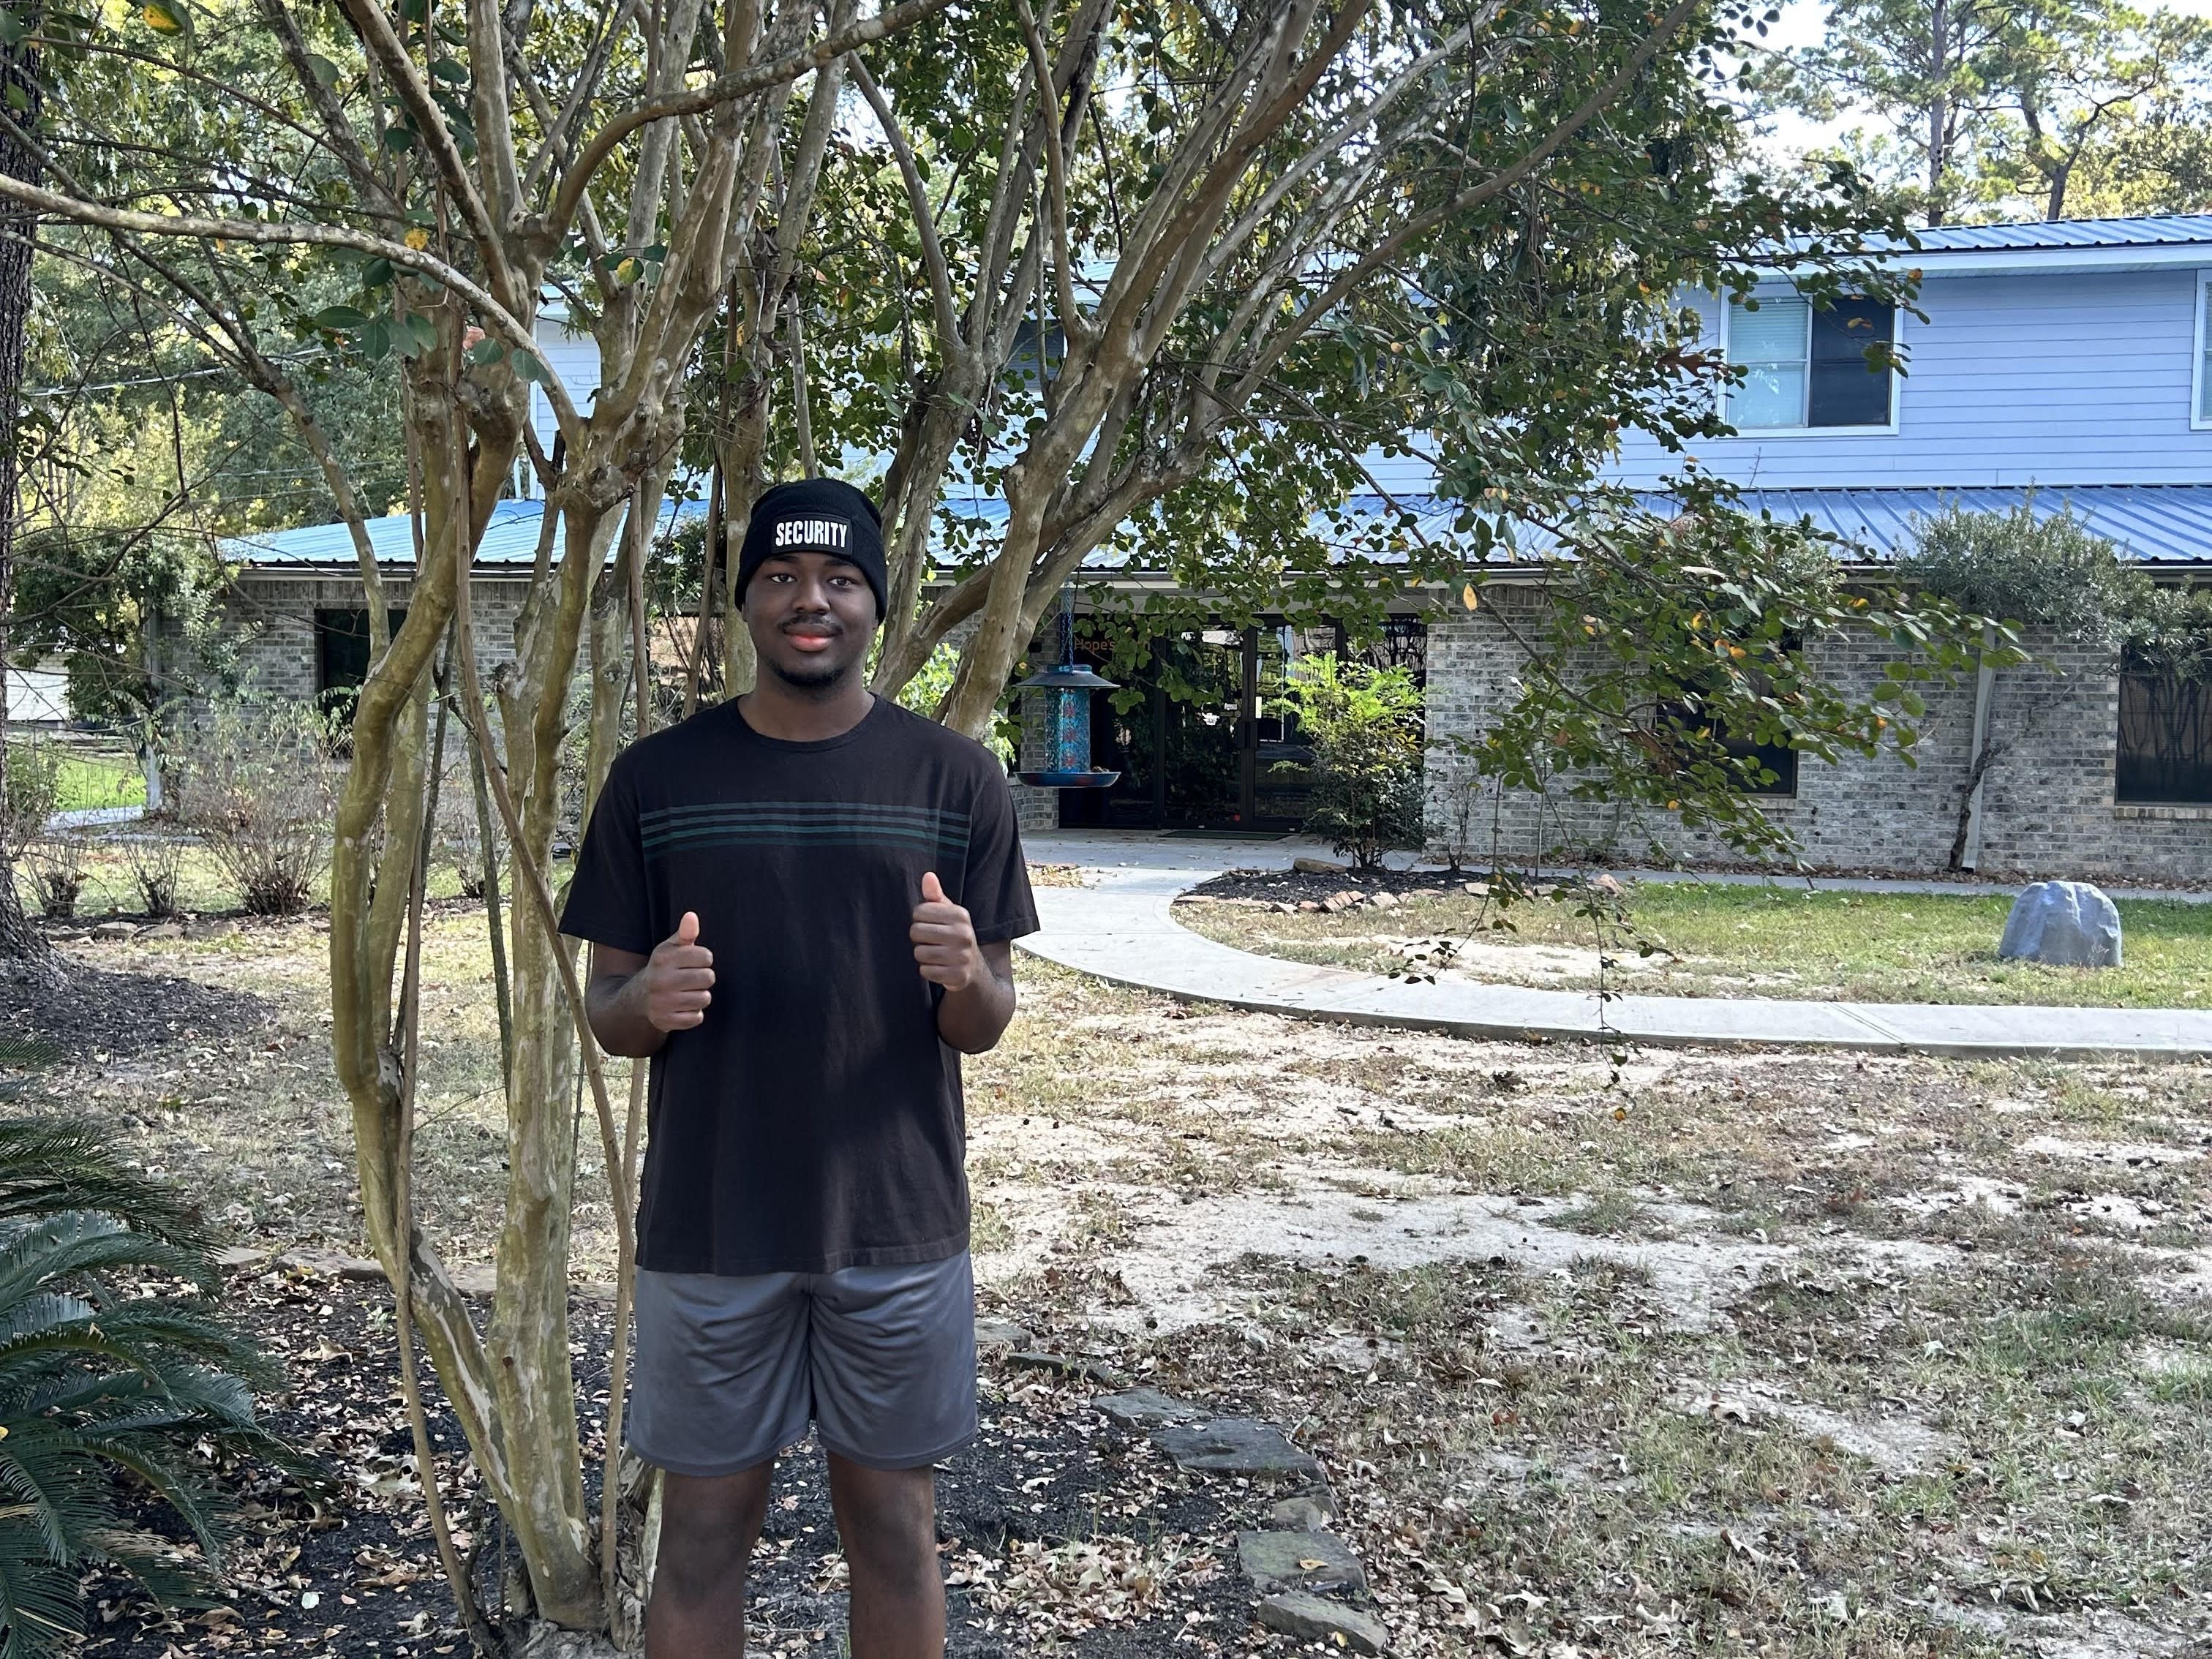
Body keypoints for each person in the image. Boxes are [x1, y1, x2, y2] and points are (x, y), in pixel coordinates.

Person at [560, 477, 1037, 1659]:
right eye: (780, 577)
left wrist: (964, 978)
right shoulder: (658, 780)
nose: (809, 600)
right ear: (745, 602)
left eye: (838, 579)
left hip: (897, 1224)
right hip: (711, 1226)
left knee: (895, 1532)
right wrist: (646, 1001)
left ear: (876, 603)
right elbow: (608, 1010)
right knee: (700, 1540)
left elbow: (985, 1021)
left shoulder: (954, 780)